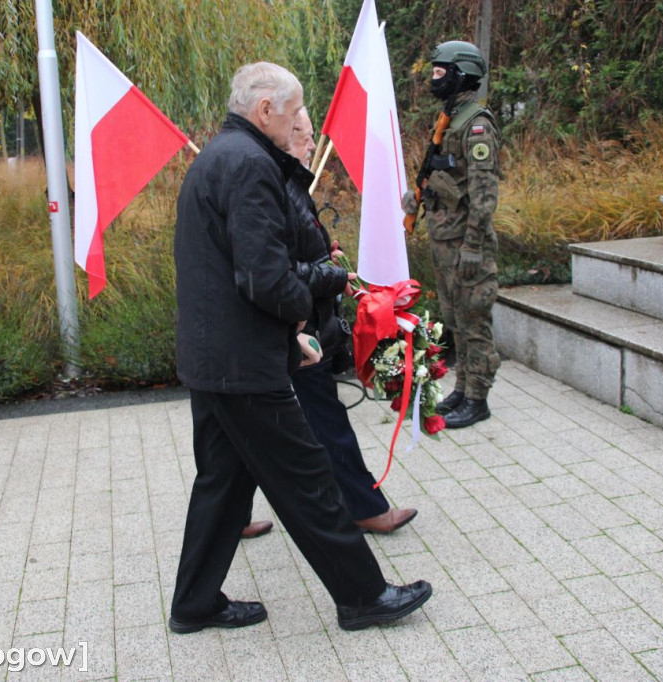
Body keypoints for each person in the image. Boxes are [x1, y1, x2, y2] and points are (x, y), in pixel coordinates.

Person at [170, 61, 431, 633]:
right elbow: (264, 277)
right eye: (291, 114)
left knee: (223, 480)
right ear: (265, 110)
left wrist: (290, 337)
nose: (296, 126)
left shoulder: (220, 157)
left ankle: (193, 603)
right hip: (241, 364)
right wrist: (304, 313)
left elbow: (231, 269)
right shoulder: (250, 166)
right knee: (306, 476)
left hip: (215, 356)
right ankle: (363, 596)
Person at [284, 107, 418, 533]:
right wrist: (334, 275)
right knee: (324, 421)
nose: (312, 145)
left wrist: (327, 253)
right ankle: (365, 507)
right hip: (297, 328)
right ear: (285, 138)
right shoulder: (281, 188)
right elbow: (282, 268)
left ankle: (231, 517)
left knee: (256, 425)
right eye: (305, 137)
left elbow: (300, 249)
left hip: (302, 323)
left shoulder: (291, 186)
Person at [402, 40, 501, 429]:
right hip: (446, 238)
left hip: (465, 243)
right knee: (455, 317)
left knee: (474, 318)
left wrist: (474, 246)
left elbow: (483, 193)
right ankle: (463, 389)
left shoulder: (476, 124)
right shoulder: (450, 118)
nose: (433, 78)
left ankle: (478, 398)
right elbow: (445, 174)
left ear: (461, 74)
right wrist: (417, 198)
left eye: (441, 71)